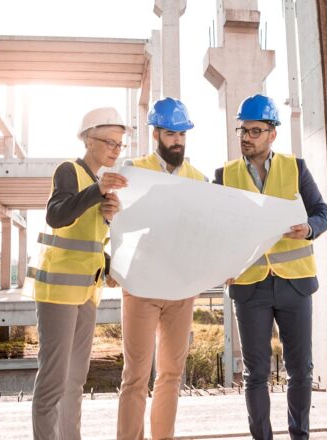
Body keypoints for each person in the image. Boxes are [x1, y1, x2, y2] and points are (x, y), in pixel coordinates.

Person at [214, 94, 327, 440]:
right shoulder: (224, 175)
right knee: (256, 373)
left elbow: (323, 213)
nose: (246, 137)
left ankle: (300, 436)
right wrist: (220, 263)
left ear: (271, 134)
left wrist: (308, 229)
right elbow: (210, 227)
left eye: (254, 130)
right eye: (243, 130)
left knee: (300, 371)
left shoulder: (295, 168)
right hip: (250, 287)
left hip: (295, 284)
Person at [30, 107, 129, 440]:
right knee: (53, 380)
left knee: (75, 380)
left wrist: (108, 218)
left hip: (87, 292)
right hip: (58, 291)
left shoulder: (97, 184)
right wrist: (96, 193)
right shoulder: (70, 170)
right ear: (88, 138)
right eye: (109, 141)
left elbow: (89, 244)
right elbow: (56, 216)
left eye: (120, 144)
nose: (116, 148)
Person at [117, 97, 208, 440]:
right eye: (171, 133)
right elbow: (119, 223)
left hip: (181, 289)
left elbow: (206, 230)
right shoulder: (134, 170)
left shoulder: (197, 177)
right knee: (136, 375)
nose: (178, 141)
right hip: (141, 286)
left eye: (182, 134)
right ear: (156, 133)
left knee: (171, 374)